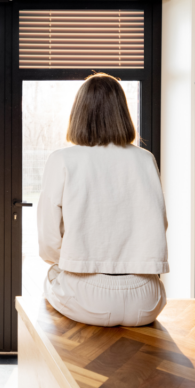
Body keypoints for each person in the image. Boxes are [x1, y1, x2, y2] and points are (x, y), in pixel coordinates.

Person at [37, 73, 169, 327]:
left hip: (87, 297)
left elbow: (48, 240)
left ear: (78, 113)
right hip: (146, 299)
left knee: (52, 274)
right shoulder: (146, 159)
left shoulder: (62, 159)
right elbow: (160, 223)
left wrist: (73, 260)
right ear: (122, 113)